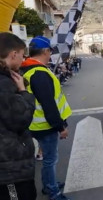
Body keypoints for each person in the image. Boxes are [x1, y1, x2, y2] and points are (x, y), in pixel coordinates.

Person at [20, 36, 72, 200]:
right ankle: (52, 191)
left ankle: (49, 184)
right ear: (45, 51)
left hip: (33, 124)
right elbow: (49, 105)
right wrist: (61, 127)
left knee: (48, 160)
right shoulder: (40, 74)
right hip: (45, 126)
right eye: (50, 51)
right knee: (50, 160)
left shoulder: (27, 69)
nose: (51, 55)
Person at [0, 32, 36, 200]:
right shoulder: (4, 84)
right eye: (22, 55)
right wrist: (23, 91)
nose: (23, 59)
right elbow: (20, 119)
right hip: (9, 170)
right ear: (13, 54)